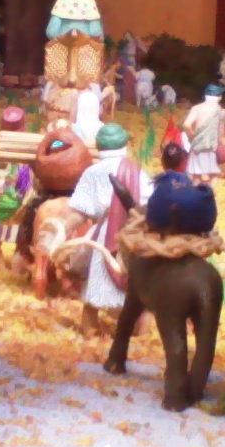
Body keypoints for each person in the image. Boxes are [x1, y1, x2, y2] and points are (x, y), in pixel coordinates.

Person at [68, 124, 151, 334]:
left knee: (95, 289)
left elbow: (81, 210)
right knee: (139, 291)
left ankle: (90, 328)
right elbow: (150, 203)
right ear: (124, 144)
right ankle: (140, 332)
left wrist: (62, 230)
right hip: (134, 233)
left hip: (105, 236)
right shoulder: (138, 171)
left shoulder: (93, 172)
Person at [0, 108, 33, 269]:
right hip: (17, 198)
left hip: (1, 199)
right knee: (19, 245)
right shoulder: (29, 144)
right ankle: (10, 270)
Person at [145, 143, 217, 236]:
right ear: (184, 162)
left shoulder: (157, 183)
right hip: (188, 226)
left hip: (161, 226)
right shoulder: (188, 183)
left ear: (162, 163)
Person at [182, 85, 225, 181]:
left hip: (198, 146)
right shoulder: (222, 112)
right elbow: (220, 133)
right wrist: (220, 144)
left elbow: (186, 125)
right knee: (213, 176)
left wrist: (192, 136)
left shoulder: (196, 108)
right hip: (211, 147)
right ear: (219, 97)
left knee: (195, 176)